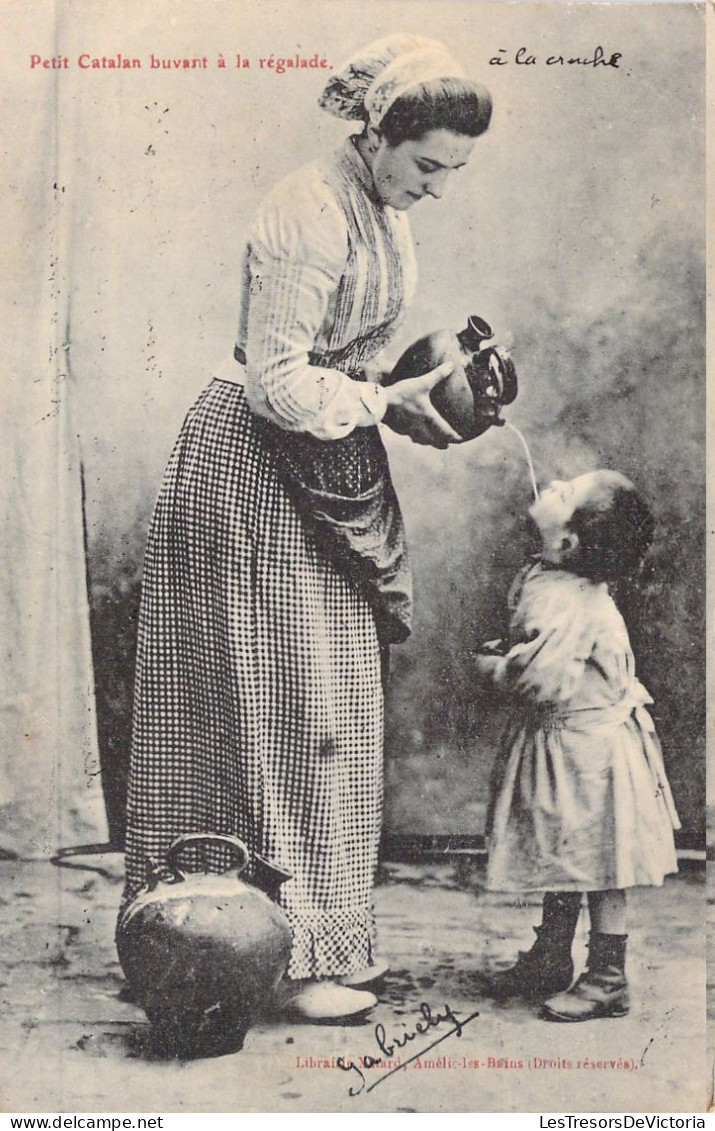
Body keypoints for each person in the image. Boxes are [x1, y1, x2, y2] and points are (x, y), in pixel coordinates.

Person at [121, 34, 493, 1022]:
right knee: (266, 701)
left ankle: (311, 938)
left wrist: (436, 401)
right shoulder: (305, 209)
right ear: (378, 135)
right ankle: (208, 937)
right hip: (246, 464)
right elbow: (281, 385)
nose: (438, 187)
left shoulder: (380, 205)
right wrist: (386, 401)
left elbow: (354, 369)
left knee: (326, 708)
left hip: (315, 461)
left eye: (454, 171)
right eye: (428, 166)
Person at [475, 470, 680, 1021]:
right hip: (566, 741)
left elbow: (545, 680)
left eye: (567, 492)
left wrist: (497, 666)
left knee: (600, 860)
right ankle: (550, 956)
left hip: (592, 750)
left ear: (568, 543)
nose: (557, 480)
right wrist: (519, 647)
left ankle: (609, 975)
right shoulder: (551, 576)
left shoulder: (572, 598)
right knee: (567, 849)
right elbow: (541, 650)